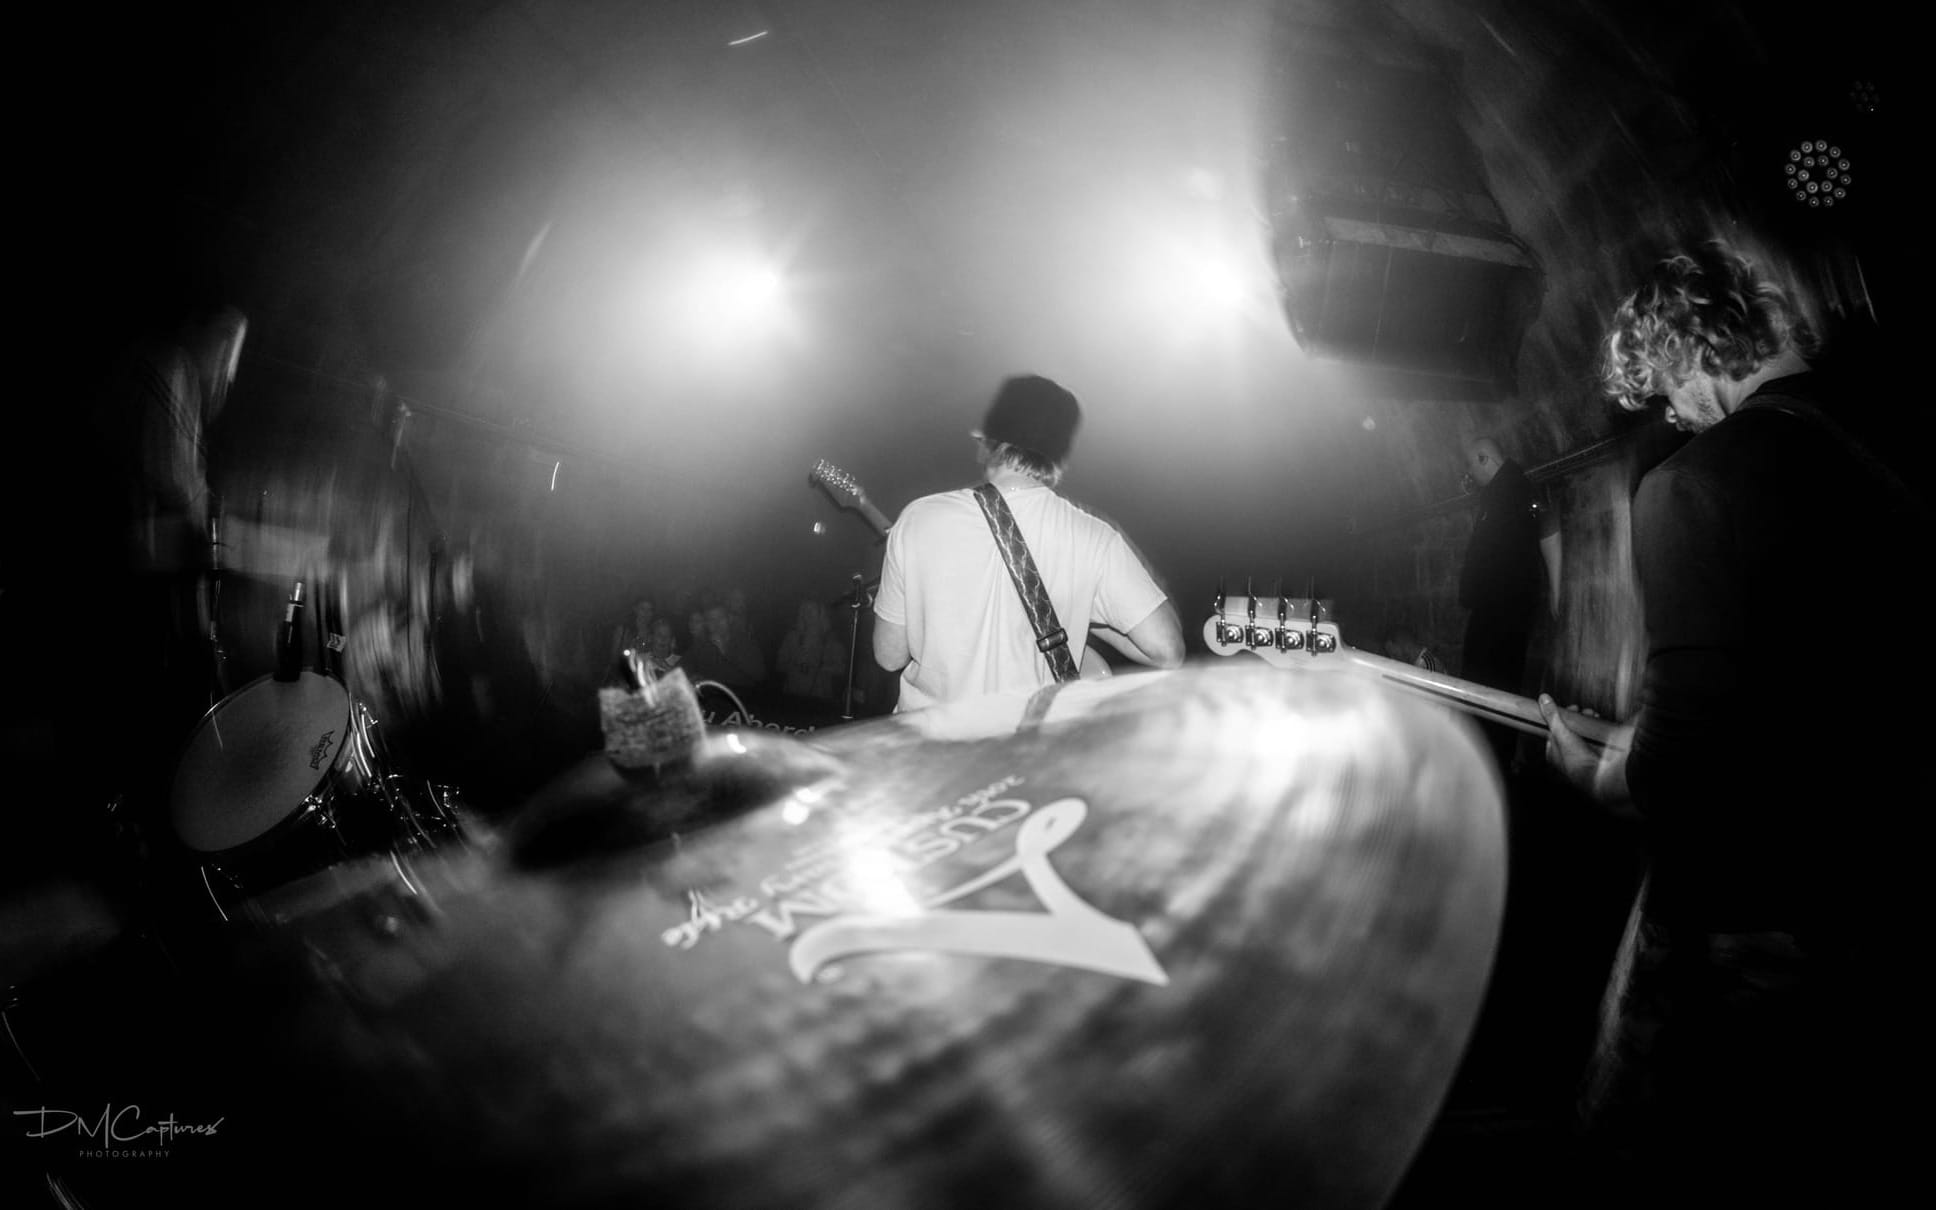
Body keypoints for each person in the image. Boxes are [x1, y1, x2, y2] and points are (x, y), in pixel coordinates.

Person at [1539, 238, 1925, 1205]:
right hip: (1886, 895)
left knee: (1653, 1155)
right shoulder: (1898, 439)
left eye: (1668, 387)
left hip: (1748, 910)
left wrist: (1596, 774)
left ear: (1690, 344)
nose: (1672, 414)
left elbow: (1679, 771)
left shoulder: (1692, 484)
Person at [872, 374, 1184, 710]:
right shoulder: (1094, 538)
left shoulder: (919, 518)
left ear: (991, 441)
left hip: (928, 752)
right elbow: (1167, 650)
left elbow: (889, 656)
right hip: (1020, 756)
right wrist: (1085, 609)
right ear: (1059, 456)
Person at [1457, 434, 1544, 769]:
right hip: (1501, 613)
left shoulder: (1507, 494)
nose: (1469, 472)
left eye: (1471, 463)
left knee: (1490, 690)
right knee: (1494, 690)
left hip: (1498, 617)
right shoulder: (1507, 492)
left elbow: (1500, 559)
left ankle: (1490, 764)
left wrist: (1473, 592)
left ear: (1484, 459)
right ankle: (1491, 760)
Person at [776, 598, 846, 705]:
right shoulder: (792, 637)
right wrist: (796, 665)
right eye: (805, 611)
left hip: (819, 698)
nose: (808, 615)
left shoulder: (831, 641)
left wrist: (820, 668)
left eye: (812, 611)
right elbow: (779, 665)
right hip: (792, 695)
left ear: (821, 615)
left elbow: (841, 669)